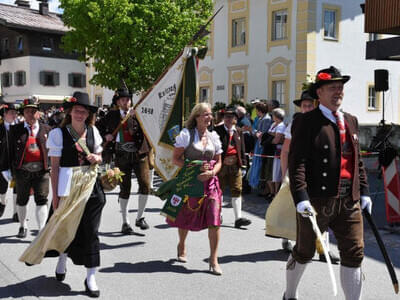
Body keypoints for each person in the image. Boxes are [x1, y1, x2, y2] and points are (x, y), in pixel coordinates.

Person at [284, 66, 372, 300]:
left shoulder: (351, 120)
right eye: (332, 87)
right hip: (316, 200)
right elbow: (297, 162)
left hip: (348, 201)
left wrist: (364, 191)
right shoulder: (306, 121)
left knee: (354, 253)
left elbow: (357, 161)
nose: (338, 92)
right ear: (319, 93)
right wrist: (301, 198)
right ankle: (290, 294)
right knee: (304, 251)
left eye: (341, 87)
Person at [19, 92, 105, 297]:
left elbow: (100, 156)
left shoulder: (93, 131)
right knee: (65, 227)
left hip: (91, 187)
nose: (80, 114)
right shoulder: (59, 134)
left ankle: (91, 276)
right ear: (70, 111)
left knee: (91, 231)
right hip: (68, 187)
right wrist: (55, 197)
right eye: (77, 110)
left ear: (88, 114)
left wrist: (97, 157)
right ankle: (62, 258)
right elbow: (55, 168)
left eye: (83, 111)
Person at [168, 102, 223, 275]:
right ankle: (182, 244)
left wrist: (213, 171)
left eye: (210, 114)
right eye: (205, 114)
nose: (209, 117)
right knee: (186, 214)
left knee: (215, 219)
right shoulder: (186, 135)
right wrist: (195, 167)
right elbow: (175, 159)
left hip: (211, 184)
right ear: (197, 117)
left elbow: (219, 160)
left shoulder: (214, 137)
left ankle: (213, 259)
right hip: (191, 182)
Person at [97, 88, 151, 234]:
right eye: (122, 99)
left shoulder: (139, 114)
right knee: (124, 187)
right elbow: (98, 127)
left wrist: (138, 118)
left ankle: (140, 217)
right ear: (118, 102)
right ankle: (125, 222)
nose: (125, 102)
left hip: (139, 154)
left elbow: (150, 127)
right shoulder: (112, 115)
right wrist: (106, 135)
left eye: (127, 99)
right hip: (121, 155)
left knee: (145, 184)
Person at [9, 98, 51, 238]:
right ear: (23, 114)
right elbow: (8, 152)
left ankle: (41, 230)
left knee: (42, 199)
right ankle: (23, 226)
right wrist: (7, 169)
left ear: (38, 113)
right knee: (22, 200)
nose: (30, 114)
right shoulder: (15, 130)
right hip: (22, 171)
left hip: (42, 171)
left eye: (33, 111)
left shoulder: (47, 129)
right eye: (27, 111)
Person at [214, 108, 251, 229]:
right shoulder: (217, 131)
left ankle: (238, 218)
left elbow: (242, 149)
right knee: (219, 190)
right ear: (223, 118)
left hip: (235, 165)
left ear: (235, 119)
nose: (229, 119)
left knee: (237, 189)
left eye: (231, 117)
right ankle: (218, 214)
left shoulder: (238, 131)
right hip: (221, 165)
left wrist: (244, 164)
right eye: (226, 117)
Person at [0, 103, 18, 219]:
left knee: (18, 189)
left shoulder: (20, 128)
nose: (14, 115)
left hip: (17, 165)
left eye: (15, 113)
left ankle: (16, 212)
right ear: (5, 114)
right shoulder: (0, 129)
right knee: (2, 189)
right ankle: (2, 202)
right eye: (11, 113)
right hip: (2, 165)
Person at [248, 102, 271, 189]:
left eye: (257, 110)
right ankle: (256, 182)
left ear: (259, 110)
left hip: (261, 144)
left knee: (259, 163)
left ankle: (258, 184)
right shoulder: (262, 118)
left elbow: (262, 134)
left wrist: (252, 130)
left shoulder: (266, 119)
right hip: (258, 143)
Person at [265, 108, 286, 200]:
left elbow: (277, 140)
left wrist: (269, 137)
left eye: (273, 115)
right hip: (271, 150)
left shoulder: (281, 126)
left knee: (276, 172)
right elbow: (271, 135)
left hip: (277, 150)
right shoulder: (274, 124)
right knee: (270, 172)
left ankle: (276, 193)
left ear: (276, 116)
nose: (272, 117)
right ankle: (272, 192)